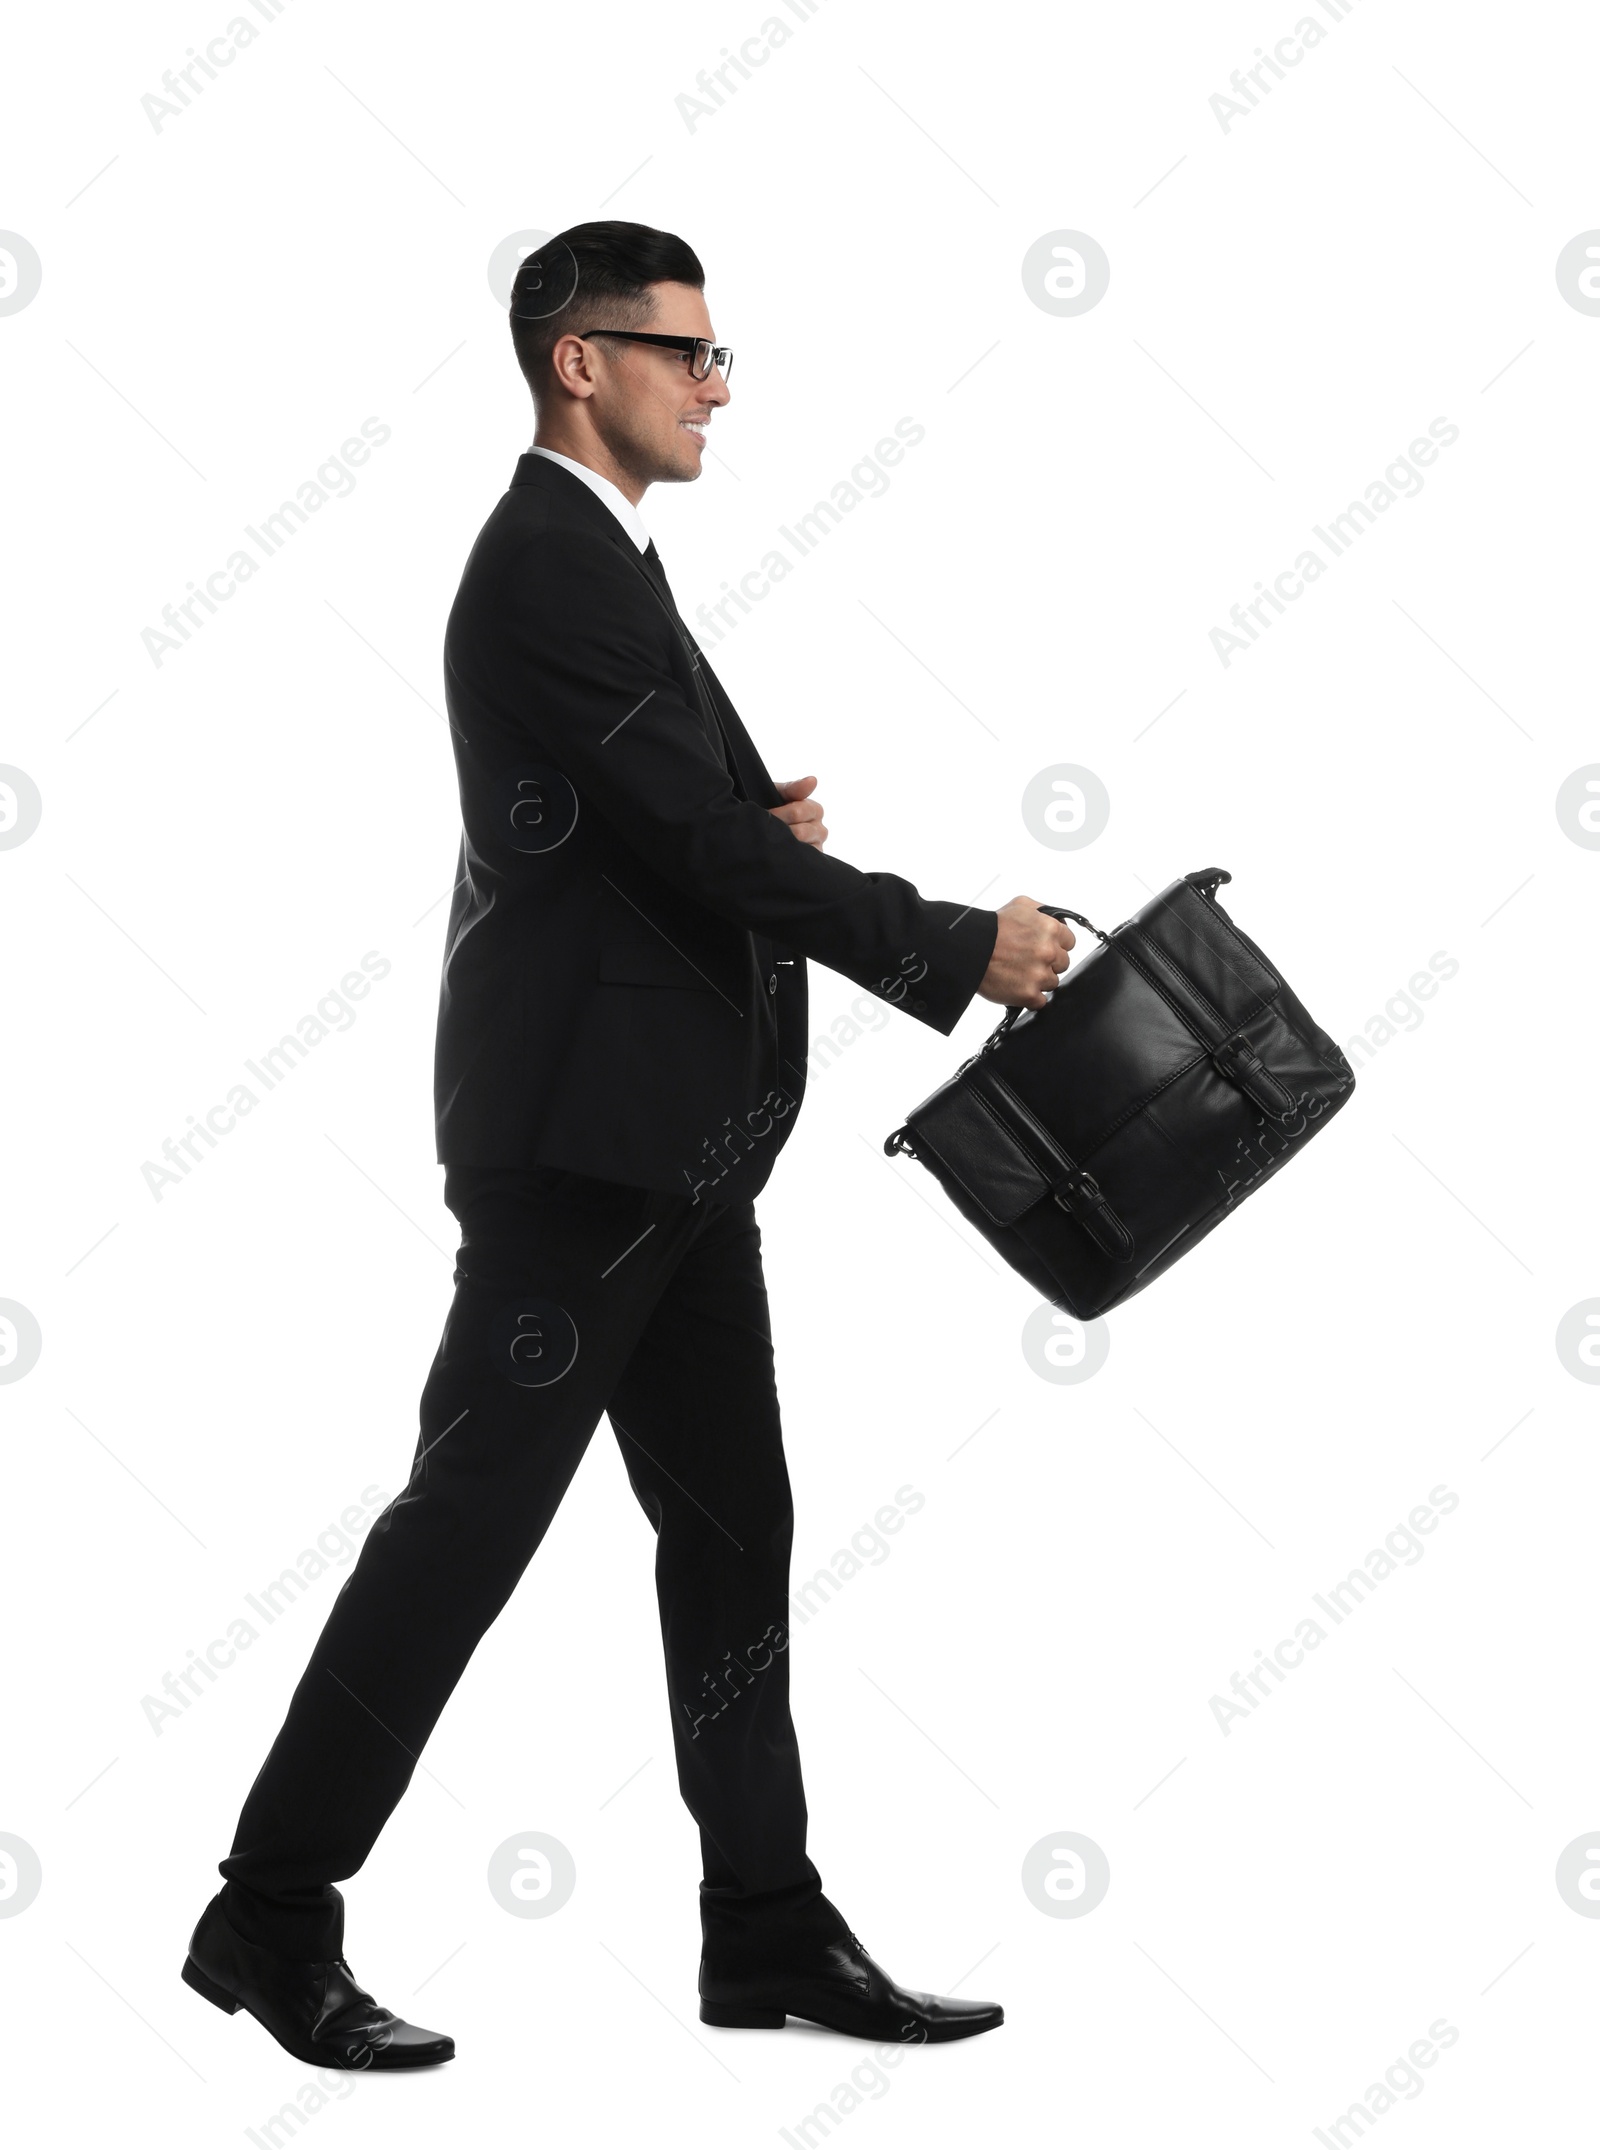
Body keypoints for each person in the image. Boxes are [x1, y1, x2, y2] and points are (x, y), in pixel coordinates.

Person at [180, 219, 1075, 2069]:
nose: (717, 385)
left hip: (671, 1158)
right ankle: (269, 1916)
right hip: (581, 1165)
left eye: (721, 354)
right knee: (466, 1535)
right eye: (688, 351)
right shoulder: (546, 562)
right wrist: (944, 941)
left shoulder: (607, 564)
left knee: (737, 1532)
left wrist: (746, 815)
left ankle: (764, 1929)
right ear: (577, 359)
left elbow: (651, 821)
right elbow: (699, 855)